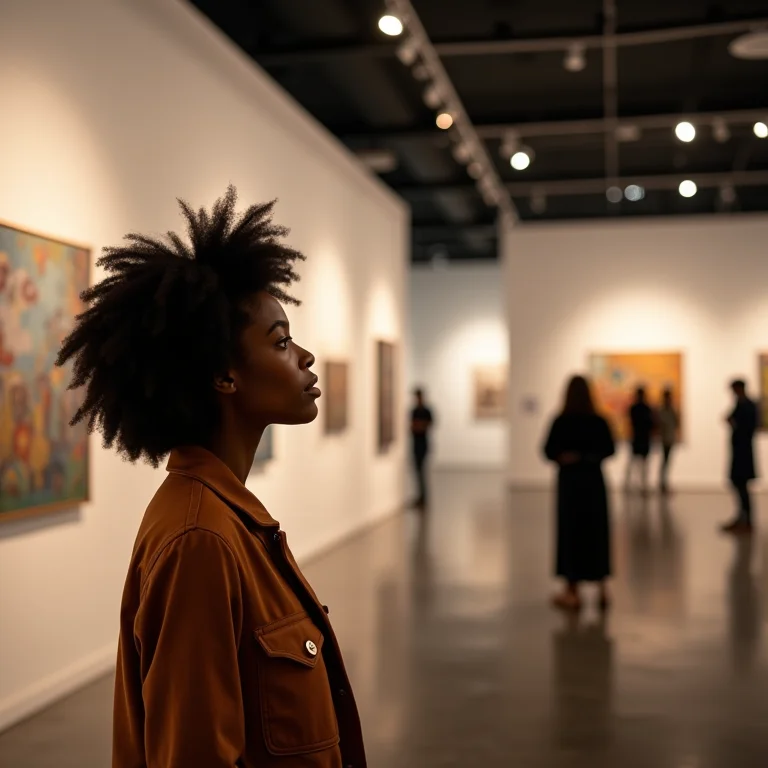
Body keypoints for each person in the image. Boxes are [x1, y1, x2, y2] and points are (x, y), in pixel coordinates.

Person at [56, 188, 367, 768]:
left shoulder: (223, 519)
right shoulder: (200, 541)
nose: (305, 357)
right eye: (280, 341)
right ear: (224, 376)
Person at [544, 375, 616, 611]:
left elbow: (547, 451)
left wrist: (568, 457)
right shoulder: (598, 421)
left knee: (571, 534)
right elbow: (610, 449)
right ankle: (602, 589)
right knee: (596, 533)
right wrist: (588, 457)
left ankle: (572, 590)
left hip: (570, 484)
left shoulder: (561, 421)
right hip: (593, 483)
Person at [721, 379, 758, 535]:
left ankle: (747, 520)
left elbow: (747, 426)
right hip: (739, 450)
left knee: (742, 486)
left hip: (743, 451)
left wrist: (735, 424)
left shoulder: (748, 405)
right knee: (738, 484)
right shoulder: (742, 404)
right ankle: (742, 518)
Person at [626, 386, 653, 494]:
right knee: (641, 465)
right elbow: (651, 424)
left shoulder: (635, 408)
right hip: (642, 438)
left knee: (635, 464)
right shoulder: (646, 408)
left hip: (638, 438)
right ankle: (641, 486)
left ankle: (631, 485)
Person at [410, 387, 434, 507]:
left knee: (422, 471)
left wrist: (420, 426)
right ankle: (420, 496)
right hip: (415, 444)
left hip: (423, 444)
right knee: (417, 471)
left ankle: (424, 497)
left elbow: (429, 424)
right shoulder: (414, 411)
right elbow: (411, 426)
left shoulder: (426, 411)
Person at [657, 388, 678, 494]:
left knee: (666, 463)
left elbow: (676, 423)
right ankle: (662, 484)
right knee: (665, 462)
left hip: (669, 439)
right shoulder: (662, 410)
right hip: (664, 439)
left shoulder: (671, 410)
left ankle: (664, 484)